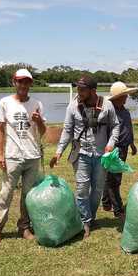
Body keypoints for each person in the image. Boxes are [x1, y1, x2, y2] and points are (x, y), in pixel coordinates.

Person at [50, 76, 120, 238]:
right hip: (80, 153)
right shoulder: (73, 106)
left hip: (102, 155)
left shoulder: (107, 104)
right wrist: (58, 152)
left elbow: (115, 126)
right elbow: (67, 130)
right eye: (77, 88)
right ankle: (85, 220)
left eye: (82, 89)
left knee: (97, 189)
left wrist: (111, 143)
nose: (78, 92)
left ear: (93, 91)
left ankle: (91, 216)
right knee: (82, 188)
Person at [0, 68, 46, 244]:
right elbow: (0, 129)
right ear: (14, 82)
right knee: (6, 193)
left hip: (32, 156)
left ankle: (24, 227)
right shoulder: (5, 102)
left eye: (27, 81)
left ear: (30, 84)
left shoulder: (37, 103)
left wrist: (38, 121)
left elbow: (43, 132)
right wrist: (0, 154)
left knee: (28, 195)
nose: (23, 85)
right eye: (20, 81)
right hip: (12, 157)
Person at [101, 81, 138, 220]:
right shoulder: (110, 112)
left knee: (110, 177)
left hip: (124, 148)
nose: (126, 97)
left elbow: (128, 128)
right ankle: (118, 209)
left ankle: (106, 203)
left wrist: (132, 144)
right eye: (124, 95)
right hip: (114, 149)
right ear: (117, 97)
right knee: (114, 180)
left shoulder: (125, 111)